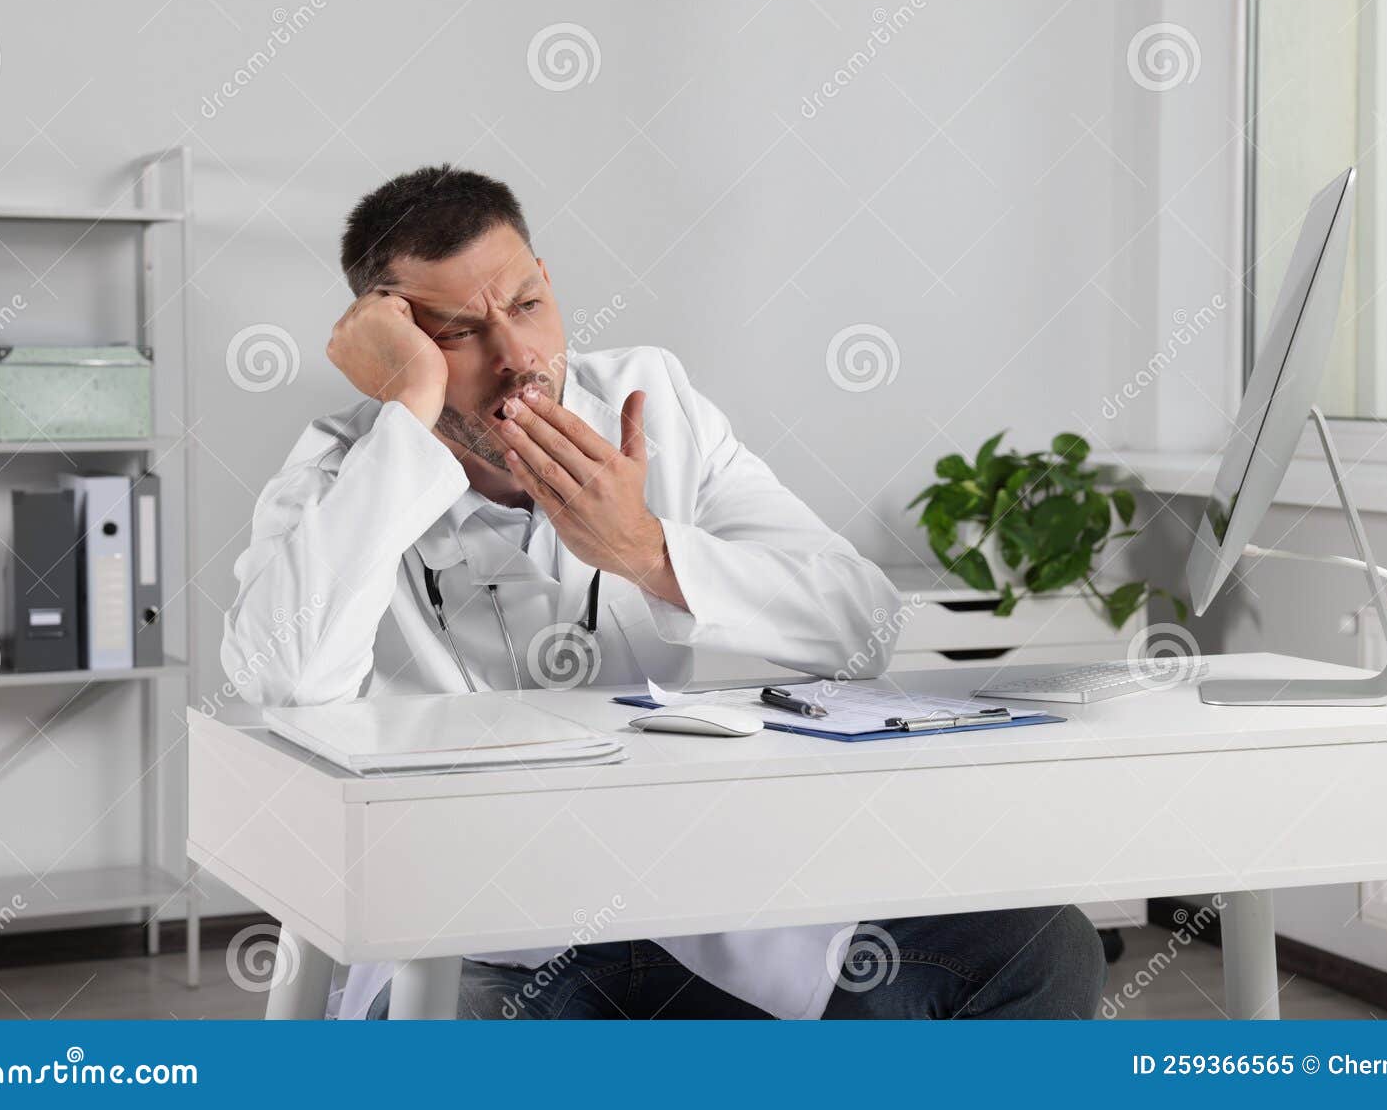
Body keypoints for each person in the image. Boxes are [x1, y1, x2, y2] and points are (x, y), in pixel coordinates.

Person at [220, 164, 1106, 1020]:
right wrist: (407, 418)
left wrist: (648, 552)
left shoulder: (656, 399)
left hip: (692, 892)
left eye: (528, 305)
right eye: (456, 333)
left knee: (1043, 948)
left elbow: (862, 622)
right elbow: (281, 681)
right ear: (395, 349)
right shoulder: (343, 470)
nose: (519, 357)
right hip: (485, 929)